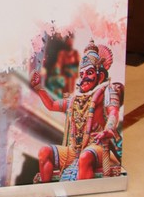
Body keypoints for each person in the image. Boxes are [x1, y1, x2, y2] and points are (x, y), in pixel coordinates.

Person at [30, 39, 123, 181]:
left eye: (89, 72)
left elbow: (113, 112)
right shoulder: (75, 99)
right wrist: (38, 87)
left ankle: (82, 194)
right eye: (82, 74)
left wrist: (109, 129)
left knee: (85, 157)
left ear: (100, 76)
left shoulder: (107, 91)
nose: (84, 78)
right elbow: (52, 105)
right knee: (44, 152)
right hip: (73, 151)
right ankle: (46, 191)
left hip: (97, 146)